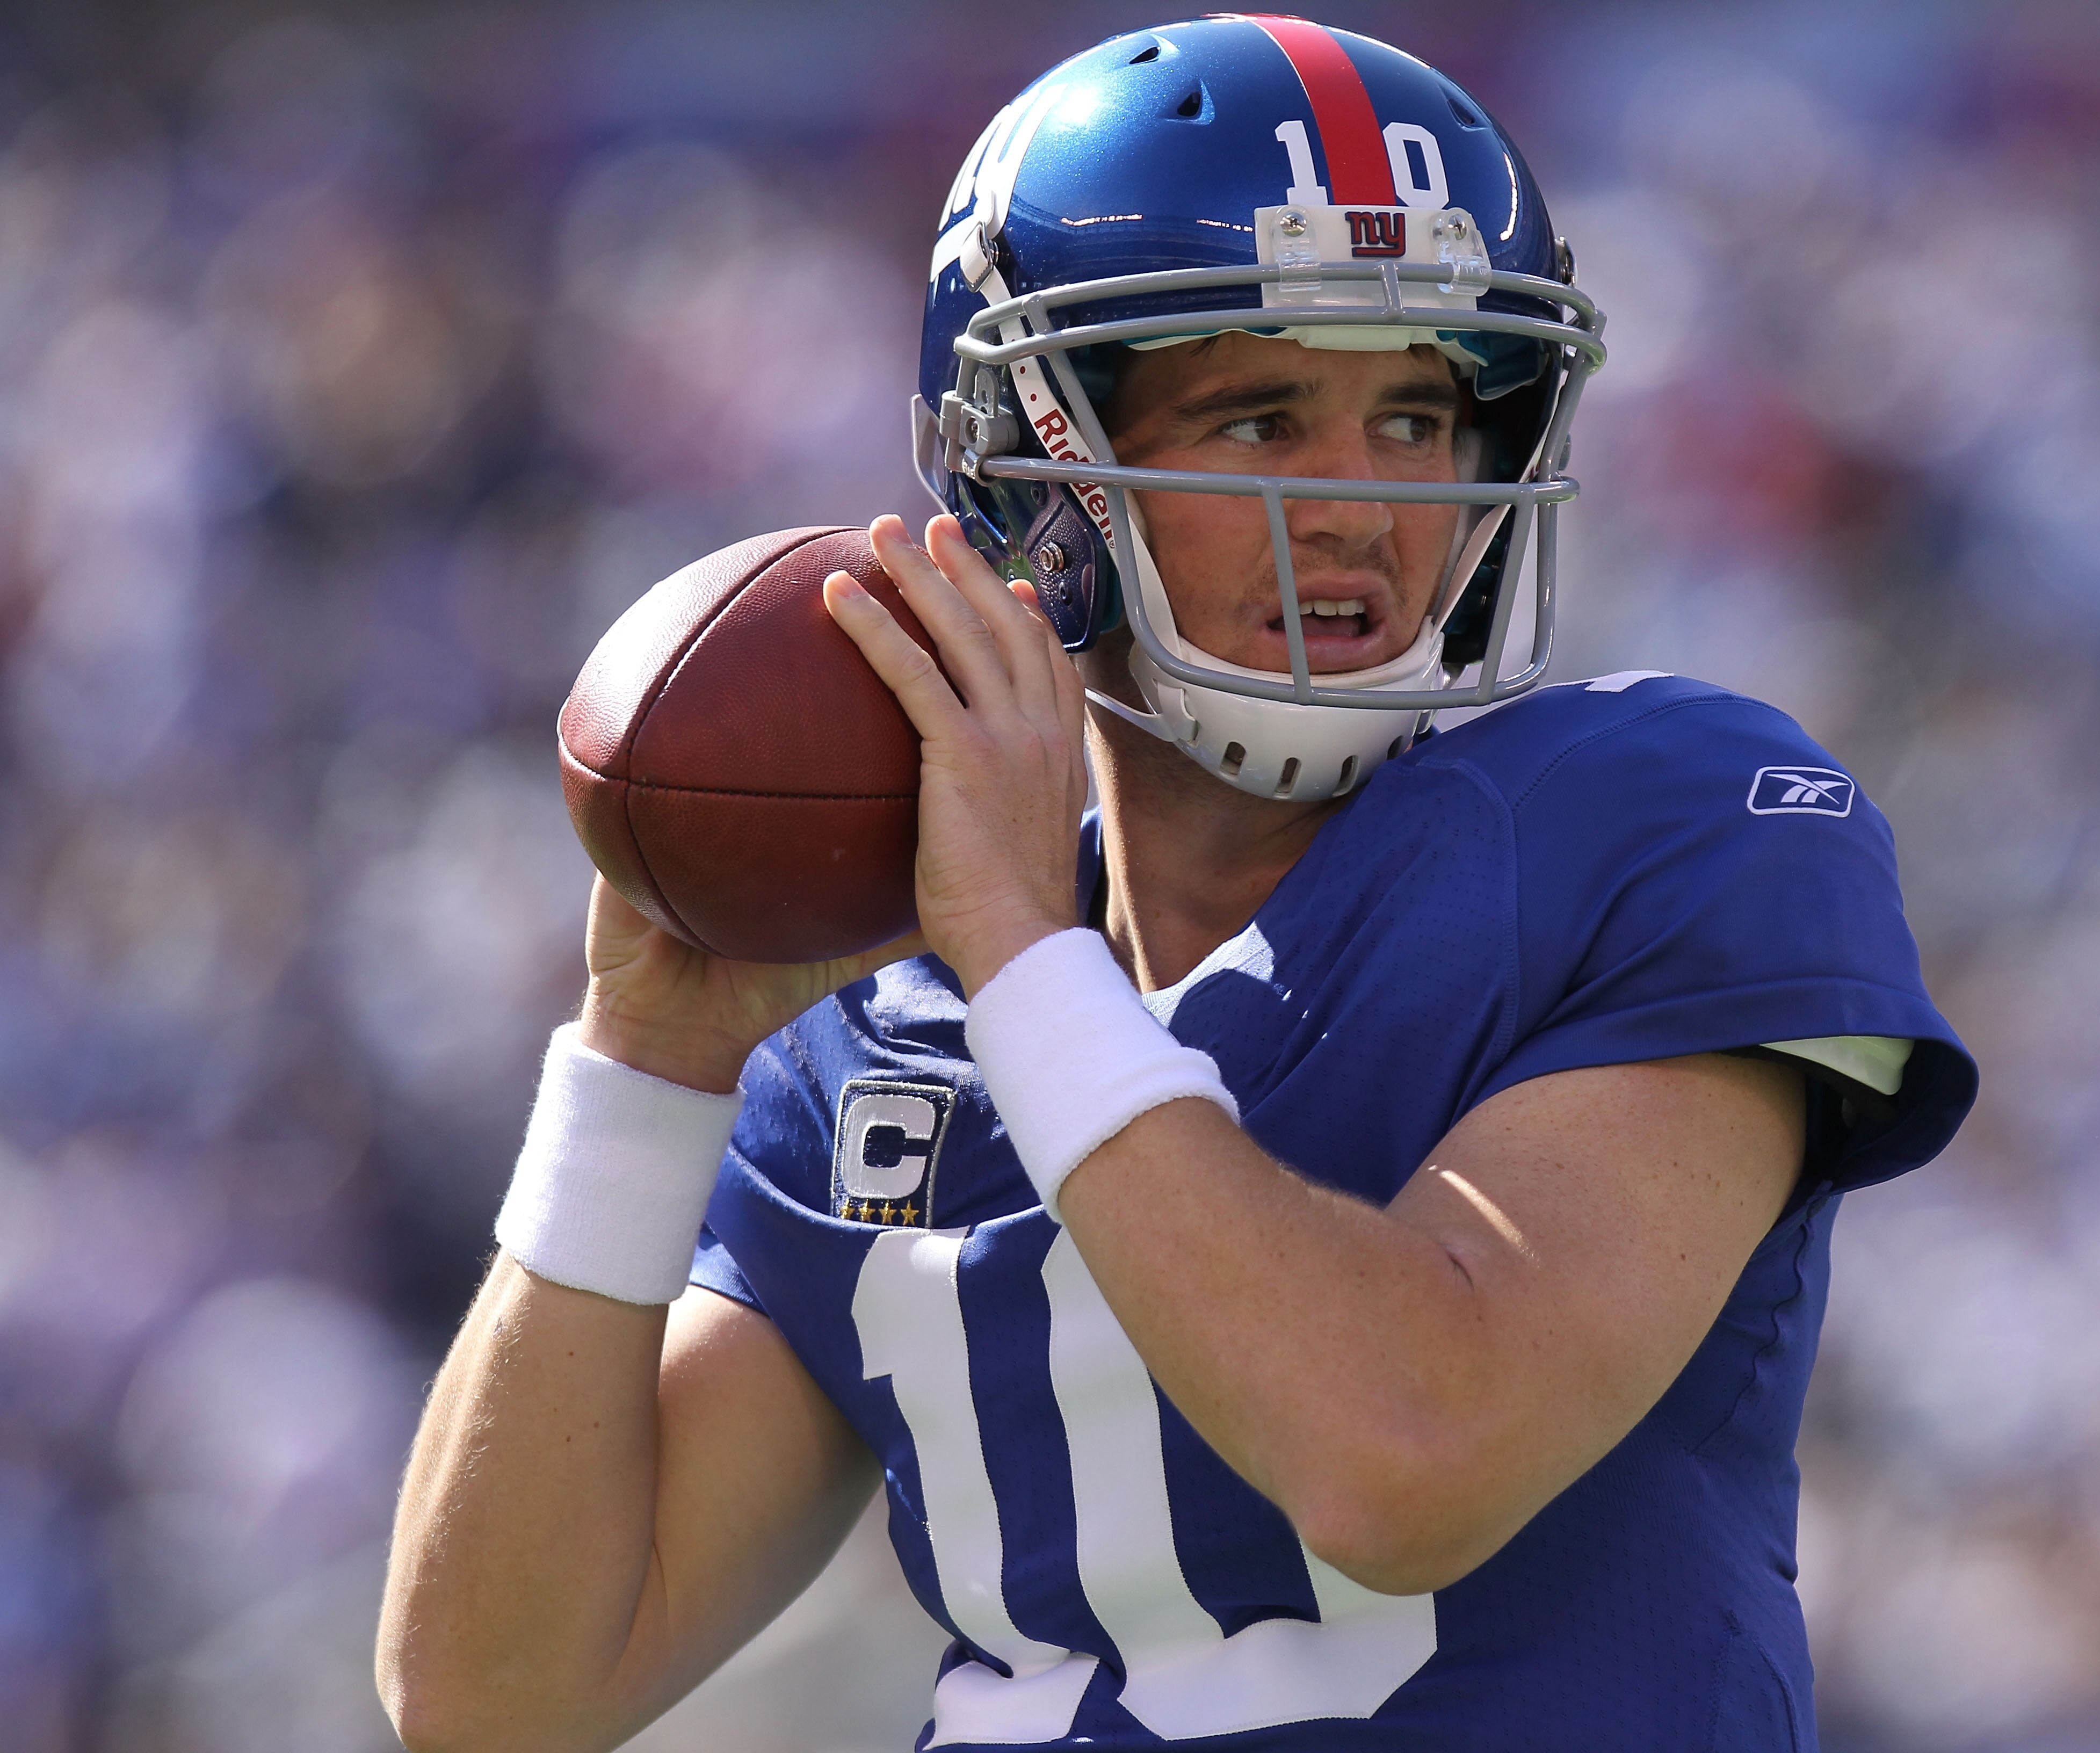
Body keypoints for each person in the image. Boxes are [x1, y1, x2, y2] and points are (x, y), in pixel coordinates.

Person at [377, 18, 1975, 1751]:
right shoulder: (884, 1031)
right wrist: (644, 1071)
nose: (1360, 506)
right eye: (1263, 418)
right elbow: (492, 1694)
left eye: (1420, 414)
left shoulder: (1660, 822)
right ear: (1031, 465)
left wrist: (1028, 967)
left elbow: (1404, 1455)